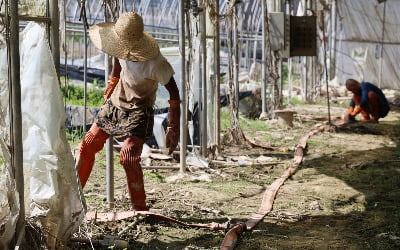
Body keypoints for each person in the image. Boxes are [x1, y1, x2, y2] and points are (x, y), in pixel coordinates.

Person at [75, 12, 180, 211]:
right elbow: (117, 64)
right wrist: (111, 84)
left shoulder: (156, 63)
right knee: (88, 144)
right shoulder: (120, 46)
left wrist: (173, 126)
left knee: (128, 157)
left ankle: (139, 209)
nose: (120, 50)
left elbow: (174, 93)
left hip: (140, 108)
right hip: (116, 103)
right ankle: (73, 199)